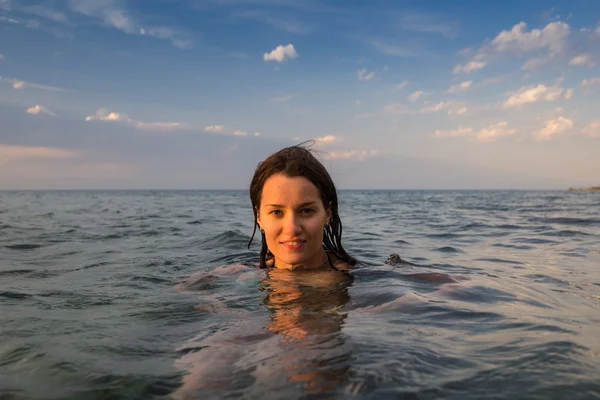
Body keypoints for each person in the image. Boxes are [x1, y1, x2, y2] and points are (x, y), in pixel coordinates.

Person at [248, 143, 357, 271]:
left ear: (327, 214)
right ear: (259, 217)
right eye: (276, 212)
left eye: (306, 211)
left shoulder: (361, 280)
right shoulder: (236, 274)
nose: (292, 229)